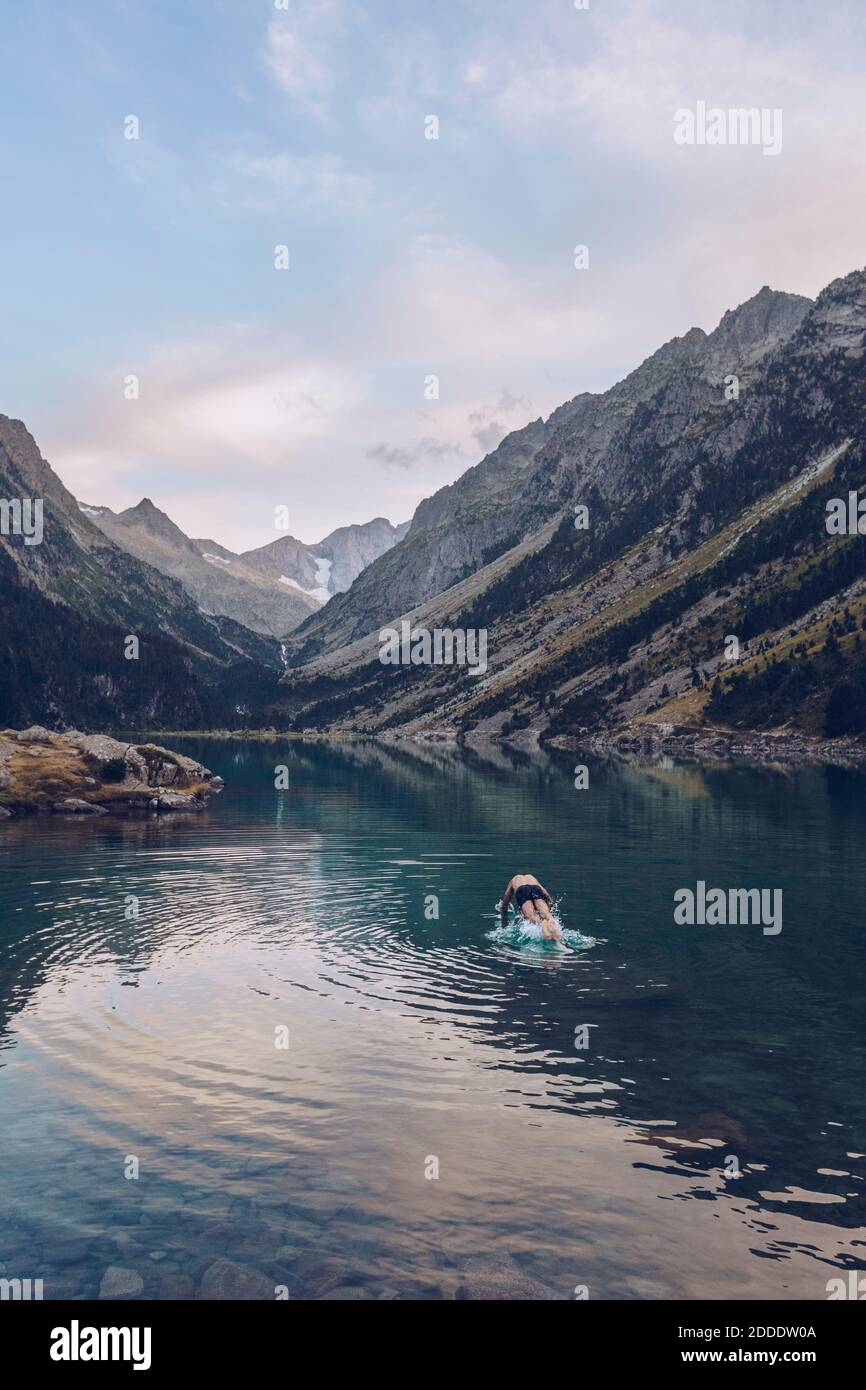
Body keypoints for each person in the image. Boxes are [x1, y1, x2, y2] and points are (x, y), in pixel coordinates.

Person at [500, 873, 561, 941]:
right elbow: (546, 895)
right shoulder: (531, 877)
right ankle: (554, 929)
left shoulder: (514, 880)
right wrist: (550, 907)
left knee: (531, 917)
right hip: (535, 888)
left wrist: (504, 918)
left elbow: (506, 899)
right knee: (546, 914)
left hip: (522, 890)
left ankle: (546, 933)